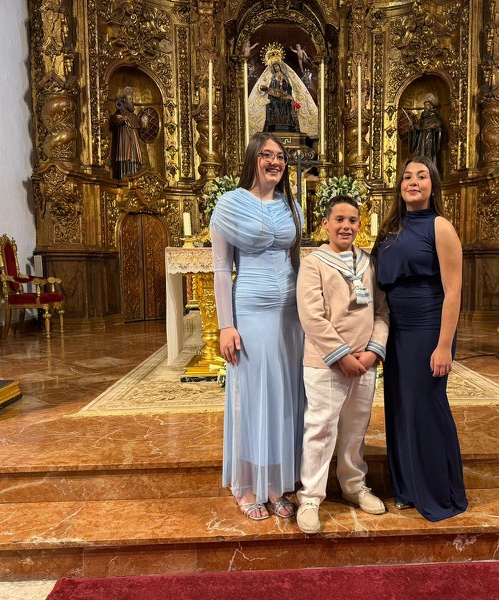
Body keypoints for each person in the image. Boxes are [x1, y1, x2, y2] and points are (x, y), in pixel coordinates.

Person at [210, 132, 305, 521]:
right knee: (254, 397)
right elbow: (221, 268)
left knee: (285, 395)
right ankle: (248, 485)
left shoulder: (291, 206)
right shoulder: (229, 204)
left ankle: (275, 483)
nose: (275, 161)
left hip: (290, 313)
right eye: (267, 154)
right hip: (250, 309)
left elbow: (295, 260)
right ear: (253, 159)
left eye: (280, 156)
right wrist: (225, 326)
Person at [372, 155, 468, 522]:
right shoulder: (390, 228)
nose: (413, 182)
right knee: (399, 407)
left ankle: (439, 493)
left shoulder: (440, 226)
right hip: (395, 329)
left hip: (428, 328)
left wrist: (444, 346)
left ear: (433, 185)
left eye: (422, 176)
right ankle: (408, 488)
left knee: (426, 408)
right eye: (407, 177)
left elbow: (453, 292)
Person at [294, 196, 390, 534]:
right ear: (325, 224)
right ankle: (310, 497)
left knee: (355, 428)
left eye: (352, 220)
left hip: (364, 363)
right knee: (320, 429)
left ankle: (354, 484)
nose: (345, 226)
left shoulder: (370, 263)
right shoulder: (314, 263)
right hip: (326, 363)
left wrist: (373, 352)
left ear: (360, 225)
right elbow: (311, 316)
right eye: (339, 219)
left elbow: (382, 311)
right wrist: (342, 355)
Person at [111, 86, 148, 178]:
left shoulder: (134, 115)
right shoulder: (121, 111)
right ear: (125, 100)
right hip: (125, 138)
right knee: (126, 156)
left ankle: (136, 175)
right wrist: (123, 118)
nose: (131, 101)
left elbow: (139, 128)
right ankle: (125, 177)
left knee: (135, 157)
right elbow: (116, 120)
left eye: (132, 99)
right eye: (129, 99)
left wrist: (144, 124)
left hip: (134, 141)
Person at [408, 94, 447, 162]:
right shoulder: (422, 118)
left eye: (428, 105)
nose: (426, 107)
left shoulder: (434, 117)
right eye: (425, 105)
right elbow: (417, 129)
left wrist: (436, 129)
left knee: (428, 156)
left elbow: (439, 128)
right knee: (421, 155)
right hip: (421, 139)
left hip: (430, 139)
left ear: (431, 106)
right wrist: (412, 127)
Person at [262, 63, 299, 132]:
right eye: (274, 67)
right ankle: (276, 119)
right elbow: (271, 87)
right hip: (275, 95)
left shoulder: (284, 76)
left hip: (283, 93)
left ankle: (289, 117)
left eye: (277, 66)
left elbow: (289, 87)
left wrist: (283, 84)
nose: (276, 68)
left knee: (289, 100)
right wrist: (273, 91)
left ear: (280, 67)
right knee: (275, 102)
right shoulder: (273, 77)